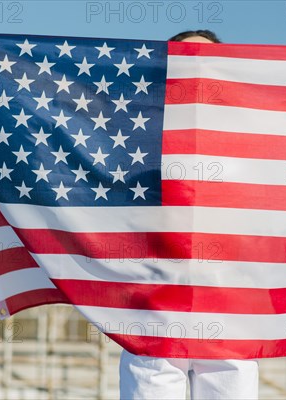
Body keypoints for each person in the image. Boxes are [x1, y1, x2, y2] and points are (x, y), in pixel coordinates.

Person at [118, 30, 259, 400]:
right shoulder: (133, 134)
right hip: (155, 316)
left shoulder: (256, 135)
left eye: (205, 56)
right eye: (186, 55)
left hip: (232, 316)